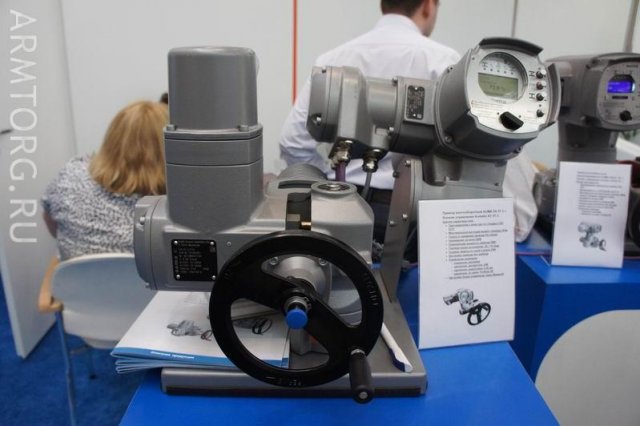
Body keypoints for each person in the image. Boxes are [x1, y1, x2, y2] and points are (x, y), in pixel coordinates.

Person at [280, 0, 460, 247]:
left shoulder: (333, 59)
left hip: (339, 208)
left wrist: (329, 184)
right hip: (411, 218)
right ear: (428, 5)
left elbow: (292, 141)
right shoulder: (443, 62)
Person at [42, 100, 168, 260]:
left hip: (77, 276)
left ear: (112, 138)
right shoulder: (181, 206)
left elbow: (51, 221)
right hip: (144, 277)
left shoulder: (70, 177)